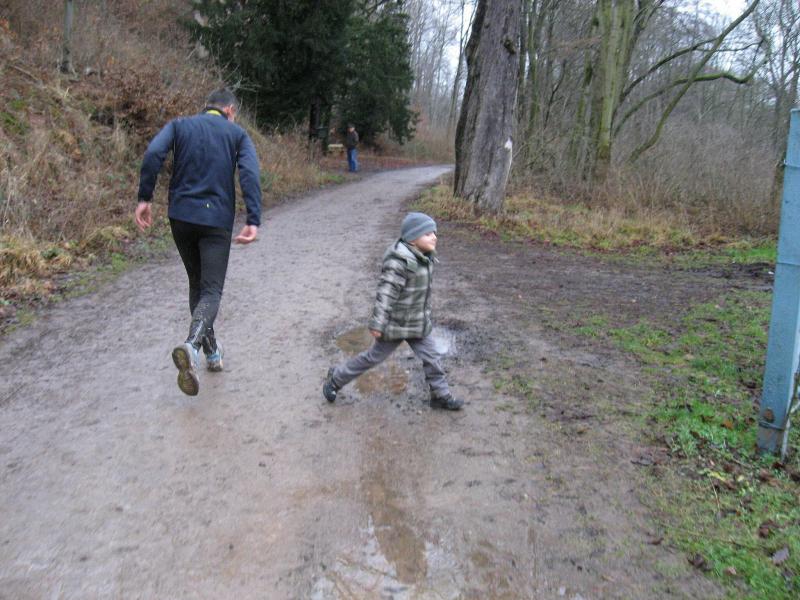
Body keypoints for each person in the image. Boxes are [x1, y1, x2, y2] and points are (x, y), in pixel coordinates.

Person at [134, 88, 262, 396]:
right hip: (215, 220)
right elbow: (249, 173)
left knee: (197, 285)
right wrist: (253, 218)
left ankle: (212, 352)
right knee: (211, 290)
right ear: (230, 110)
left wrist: (145, 197)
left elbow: (153, 154)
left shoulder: (180, 125)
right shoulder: (237, 134)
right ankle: (192, 346)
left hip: (181, 216)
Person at [323, 212, 463, 410]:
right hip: (395, 325)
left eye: (434, 233)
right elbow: (386, 294)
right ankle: (335, 379)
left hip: (417, 323)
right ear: (412, 238)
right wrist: (378, 324)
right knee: (373, 358)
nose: (434, 237)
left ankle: (440, 395)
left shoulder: (425, 257)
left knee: (432, 358)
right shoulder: (399, 261)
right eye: (427, 234)